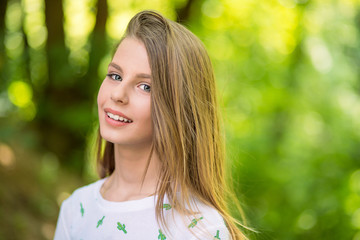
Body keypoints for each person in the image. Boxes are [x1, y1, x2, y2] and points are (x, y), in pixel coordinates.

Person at [54, 10, 248, 240]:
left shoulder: (199, 229)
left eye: (145, 86)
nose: (118, 94)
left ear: (179, 109)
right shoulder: (75, 209)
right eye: (115, 76)